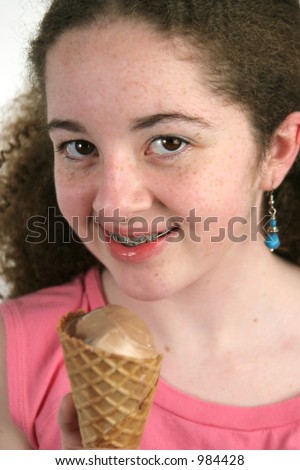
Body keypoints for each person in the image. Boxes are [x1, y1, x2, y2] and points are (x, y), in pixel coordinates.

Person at [0, 0, 300, 450]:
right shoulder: (9, 362)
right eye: (79, 147)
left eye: (169, 142)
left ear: (276, 150)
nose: (114, 205)